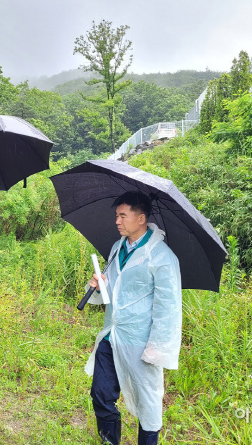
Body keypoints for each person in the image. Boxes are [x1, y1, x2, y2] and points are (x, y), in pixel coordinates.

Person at [86, 191, 181, 445]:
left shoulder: (162, 257)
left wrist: (158, 348)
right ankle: (109, 440)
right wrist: (97, 285)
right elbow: (113, 289)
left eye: (122, 216)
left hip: (141, 341)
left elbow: (168, 308)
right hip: (111, 335)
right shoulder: (118, 247)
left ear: (141, 218)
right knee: (101, 393)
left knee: (147, 403)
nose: (117, 221)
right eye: (116, 216)